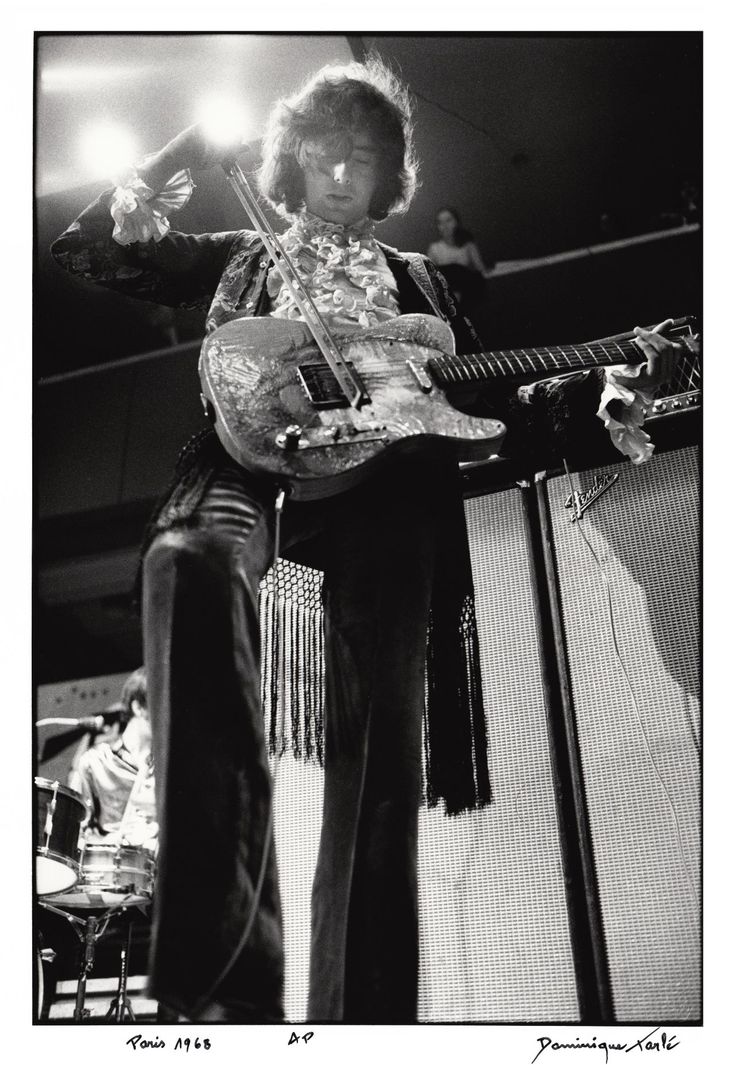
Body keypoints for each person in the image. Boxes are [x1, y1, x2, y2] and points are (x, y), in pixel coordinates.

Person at [50, 57, 679, 1023]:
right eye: (322, 153)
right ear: (291, 161)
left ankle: (364, 1022)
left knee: (380, 761)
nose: (341, 173)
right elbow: (91, 247)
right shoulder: (244, 249)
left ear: (387, 174)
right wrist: (177, 153)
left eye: (361, 157)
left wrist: (596, 392)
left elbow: (488, 397)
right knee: (190, 560)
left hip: (388, 496)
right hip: (249, 458)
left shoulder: (420, 281)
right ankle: (224, 978)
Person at [73, 667, 157, 849]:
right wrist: (106, 844)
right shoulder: (96, 762)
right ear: (139, 707)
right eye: (162, 707)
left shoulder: (168, 771)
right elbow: (75, 833)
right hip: (107, 870)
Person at [428, 206, 494, 315]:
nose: (445, 226)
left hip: (467, 292)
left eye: (448, 220)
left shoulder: (467, 244)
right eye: (440, 222)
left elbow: (480, 269)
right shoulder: (434, 248)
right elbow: (431, 277)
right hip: (447, 294)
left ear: (456, 222)